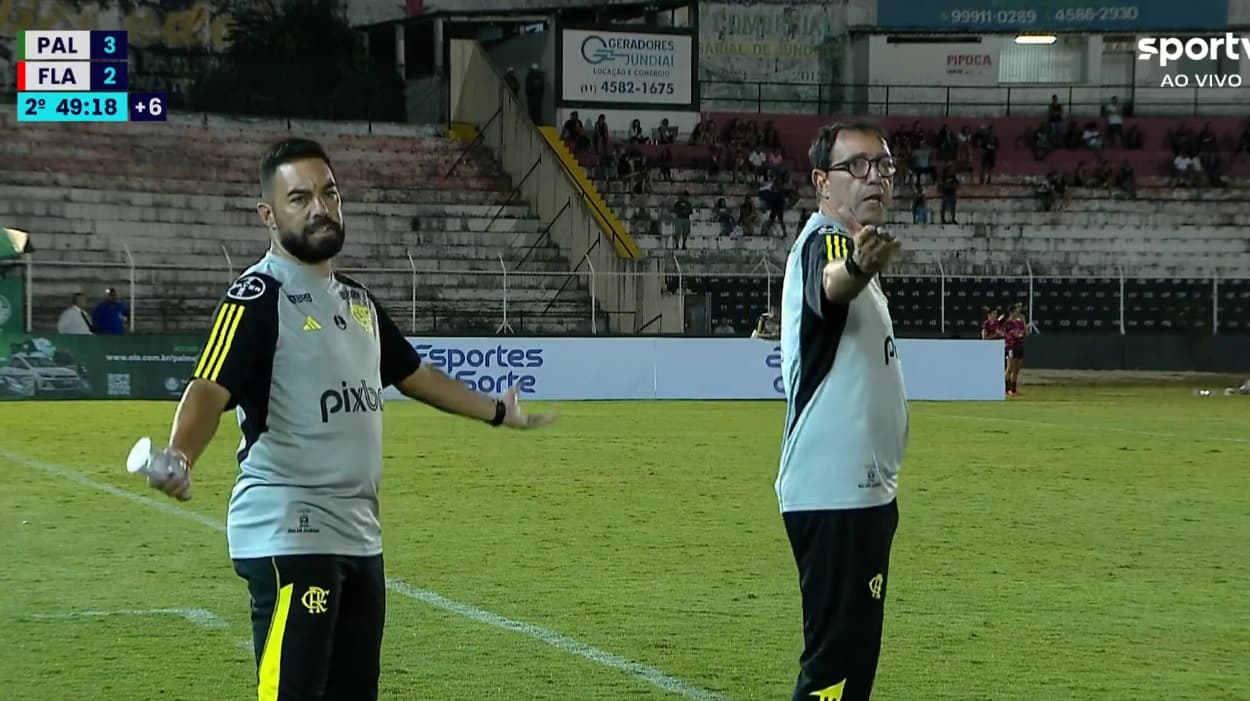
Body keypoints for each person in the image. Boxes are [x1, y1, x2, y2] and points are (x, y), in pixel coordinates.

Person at [136, 138, 556, 701]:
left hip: (360, 537)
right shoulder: (256, 298)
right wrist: (181, 454)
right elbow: (209, 387)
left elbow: (414, 374)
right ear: (269, 214)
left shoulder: (357, 300)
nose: (320, 208)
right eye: (300, 198)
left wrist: (499, 412)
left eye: (329, 193)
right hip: (289, 530)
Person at [775, 121, 907, 701]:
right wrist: (856, 268)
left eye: (883, 166)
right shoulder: (828, 240)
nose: (873, 176)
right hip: (837, 494)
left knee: (850, 667)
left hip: (860, 495)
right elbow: (832, 283)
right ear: (821, 182)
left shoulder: (849, 244)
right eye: (856, 166)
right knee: (834, 668)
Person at [1003, 303, 1028, 395]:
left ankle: (1013, 389)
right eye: (1016, 311)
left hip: (1020, 346)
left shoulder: (1019, 322)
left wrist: (1024, 321)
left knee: (1017, 369)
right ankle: (1006, 389)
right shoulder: (1008, 323)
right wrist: (1019, 334)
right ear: (1011, 312)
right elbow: (1016, 335)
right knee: (1010, 368)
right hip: (1011, 347)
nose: (1018, 313)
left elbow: (1025, 333)